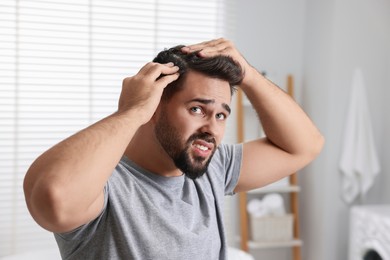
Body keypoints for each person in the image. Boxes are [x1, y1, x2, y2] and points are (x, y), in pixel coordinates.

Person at [23, 38, 324, 259]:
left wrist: (248, 75)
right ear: (154, 106)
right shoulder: (106, 184)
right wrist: (130, 112)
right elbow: (55, 199)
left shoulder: (212, 168)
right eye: (196, 109)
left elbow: (305, 146)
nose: (212, 127)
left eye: (221, 115)